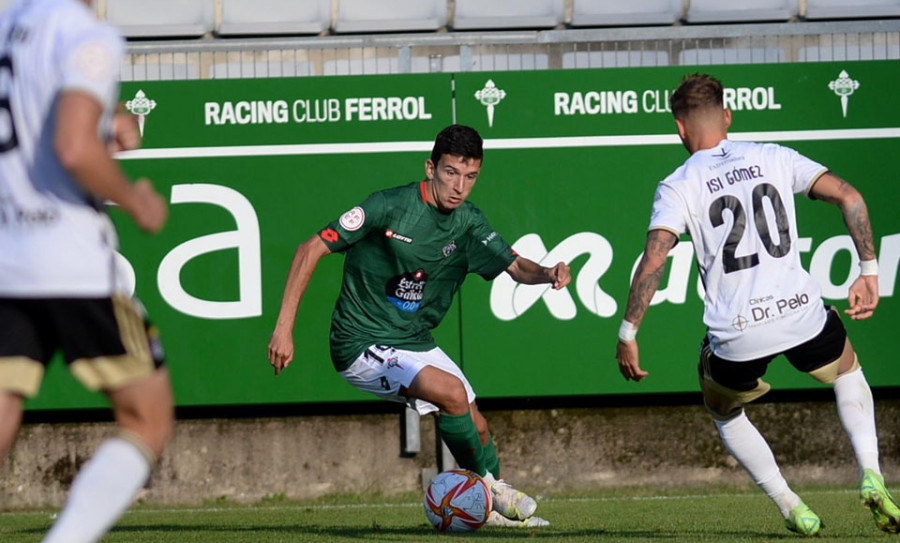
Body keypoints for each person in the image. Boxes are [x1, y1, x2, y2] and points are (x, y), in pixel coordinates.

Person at [615, 73, 899, 536]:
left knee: (723, 409)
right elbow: (850, 196)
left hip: (738, 331)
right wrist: (869, 271)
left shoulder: (677, 185)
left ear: (680, 128)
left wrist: (628, 333)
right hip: (801, 314)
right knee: (847, 372)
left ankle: (791, 506)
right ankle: (871, 472)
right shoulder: (772, 155)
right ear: (727, 116)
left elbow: (653, 260)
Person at [268, 124, 569, 528]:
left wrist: (548, 272)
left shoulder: (468, 222)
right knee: (452, 392)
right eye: (450, 172)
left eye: (470, 176)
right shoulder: (387, 206)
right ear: (430, 168)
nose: (459, 186)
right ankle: (491, 490)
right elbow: (311, 248)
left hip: (413, 340)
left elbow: (515, 265)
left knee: (477, 426)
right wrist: (283, 328)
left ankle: (489, 507)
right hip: (360, 342)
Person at [0, 1, 174, 542]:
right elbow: (73, 147)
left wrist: (108, 112)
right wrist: (135, 200)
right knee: (147, 417)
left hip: (7, 260)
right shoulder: (85, 35)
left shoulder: (9, 26)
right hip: (69, 263)